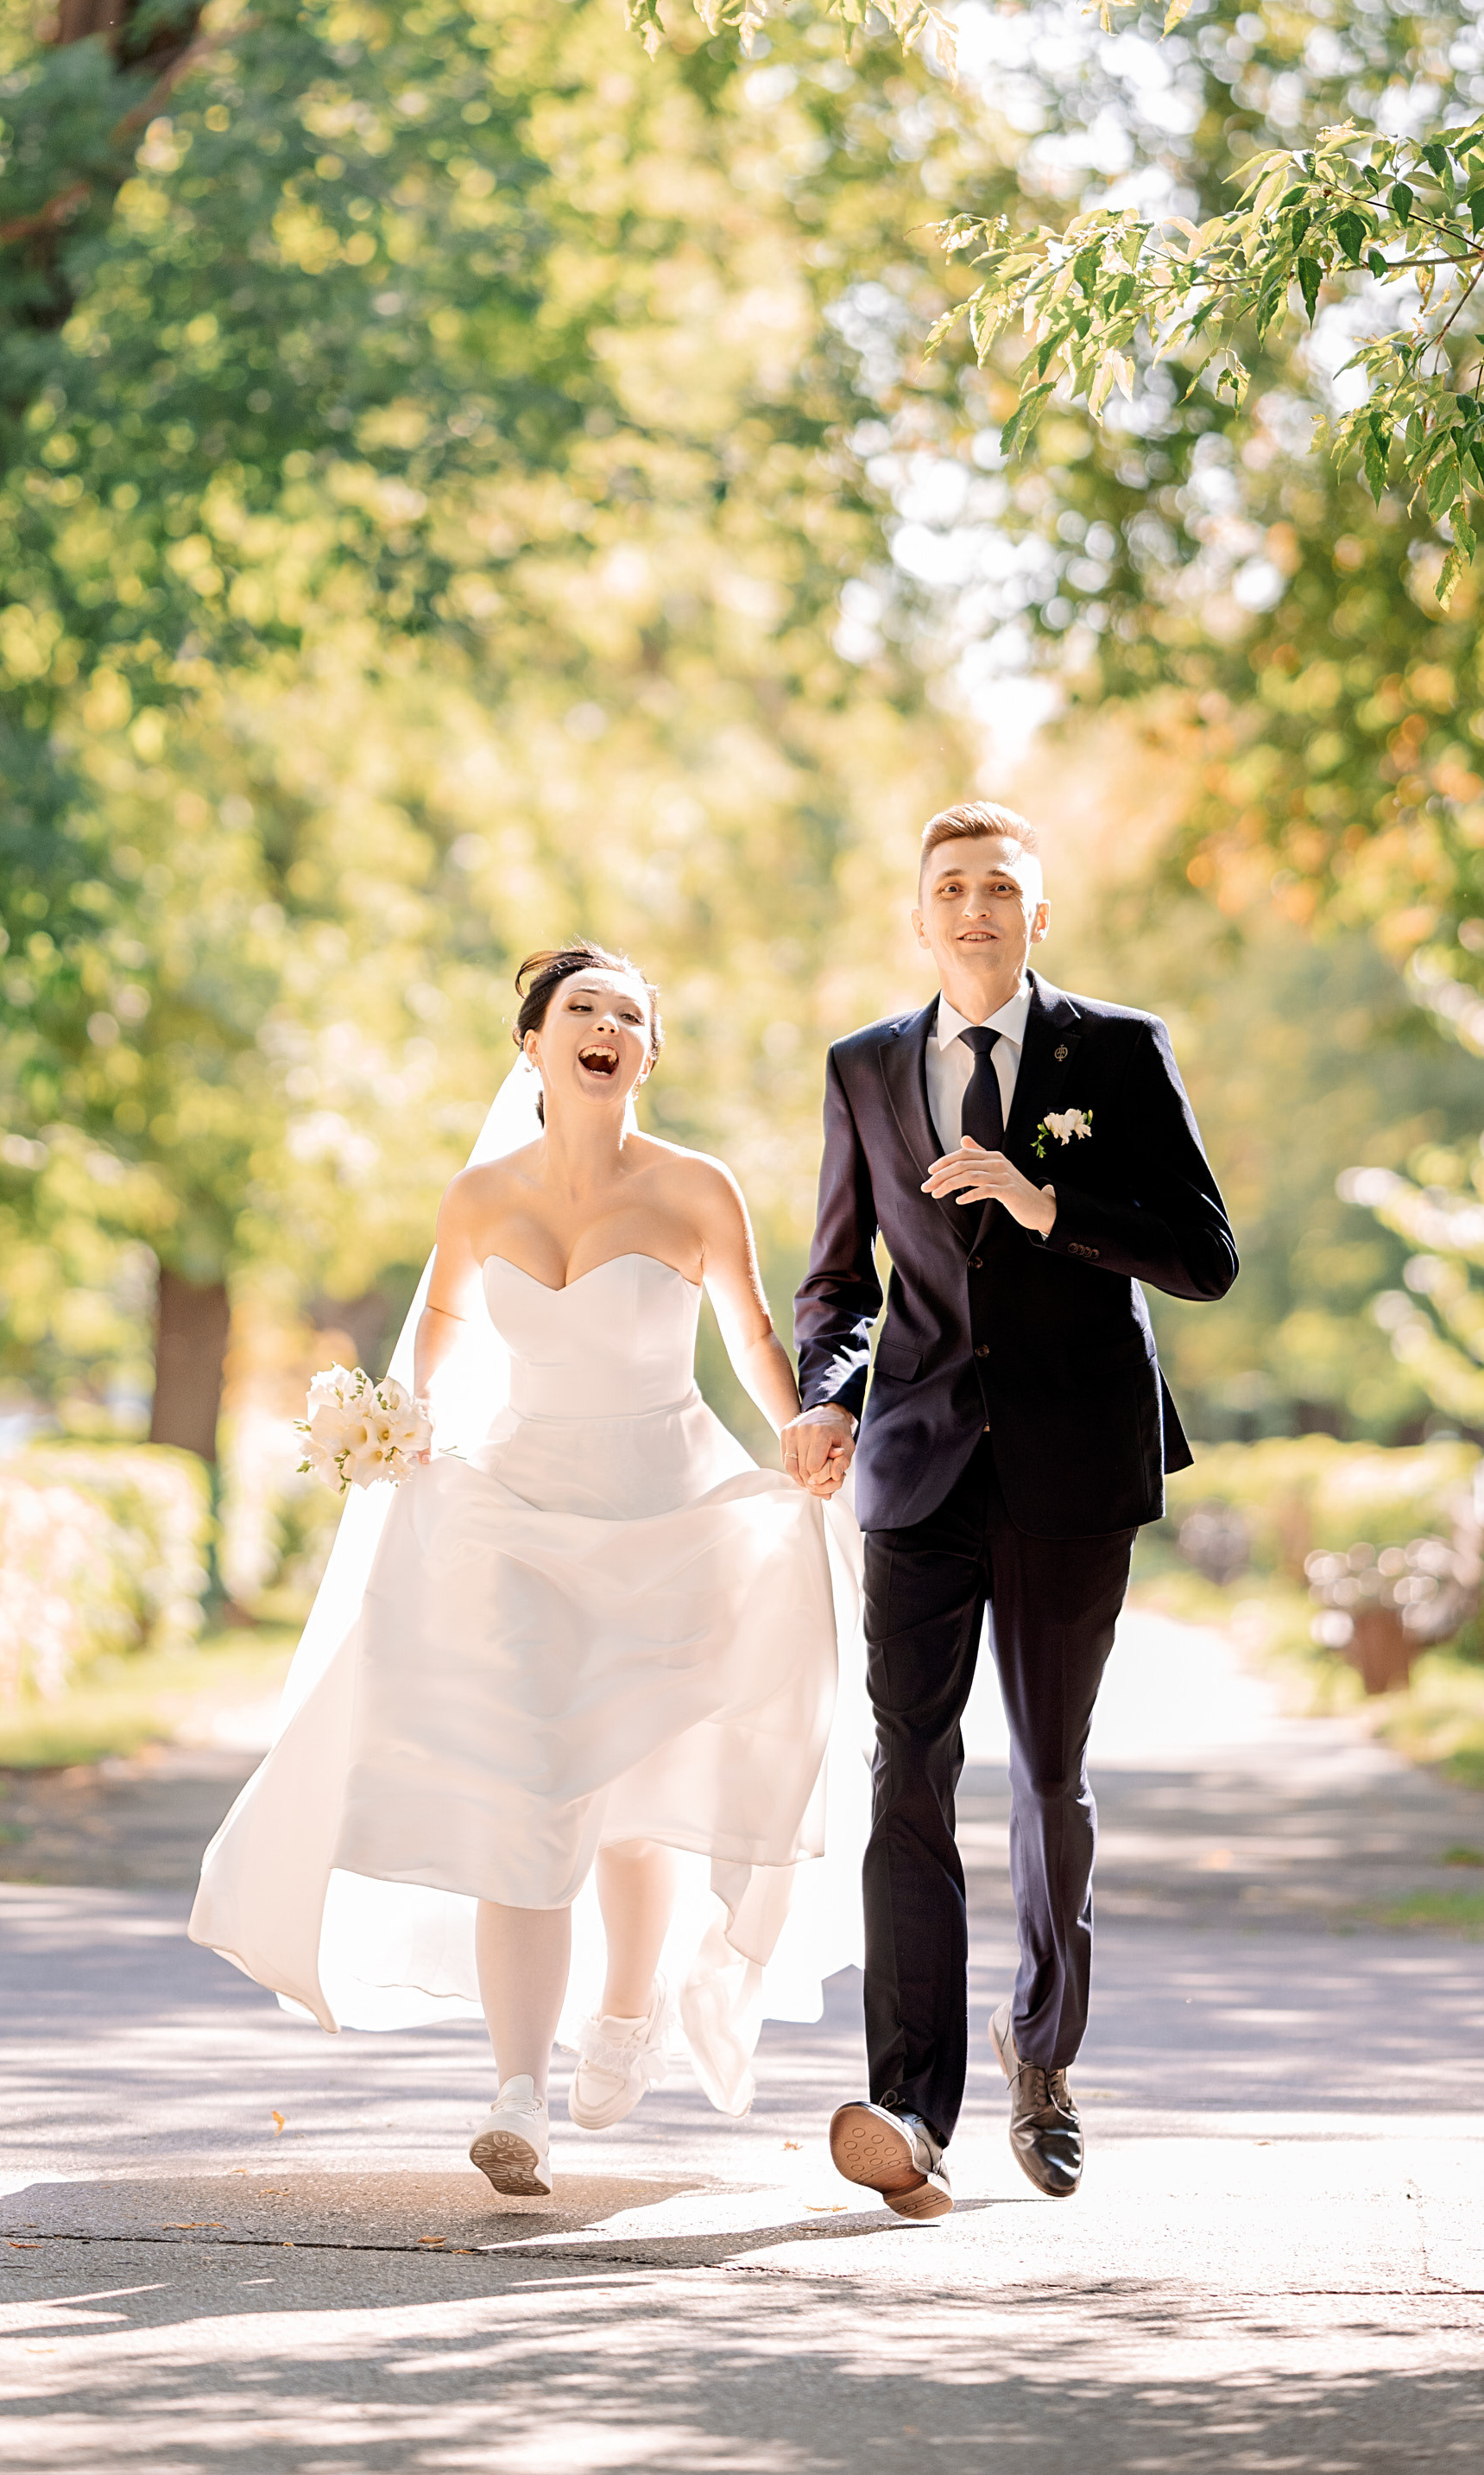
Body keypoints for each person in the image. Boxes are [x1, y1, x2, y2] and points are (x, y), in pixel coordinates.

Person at [191, 944, 863, 2199]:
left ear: (646, 1055)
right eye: (580, 1011)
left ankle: (623, 2019)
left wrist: (800, 1426)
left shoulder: (697, 1188)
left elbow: (755, 1337)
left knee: (635, 1788)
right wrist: (397, 1429)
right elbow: (440, 1336)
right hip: (514, 1505)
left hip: (665, 1511)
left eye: (627, 1016)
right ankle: (516, 2091)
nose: (604, 1027)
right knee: (530, 1791)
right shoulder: (480, 1196)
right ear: (534, 1046)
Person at [781, 802, 1236, 2219]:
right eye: (949, 887)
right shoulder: (864, 1067)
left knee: (1048, 1775)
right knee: (903, 1768)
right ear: (917, 918)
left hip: (1070, 1462)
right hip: (915, 1464)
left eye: (999, 887)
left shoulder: (1115, 1049)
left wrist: (1052, 1204)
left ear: (1039, 917)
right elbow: (839, 1283)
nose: (973, 906)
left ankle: (1042, 2059)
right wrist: (829, 1394)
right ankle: (910, 2109)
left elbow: (1205, 1256)